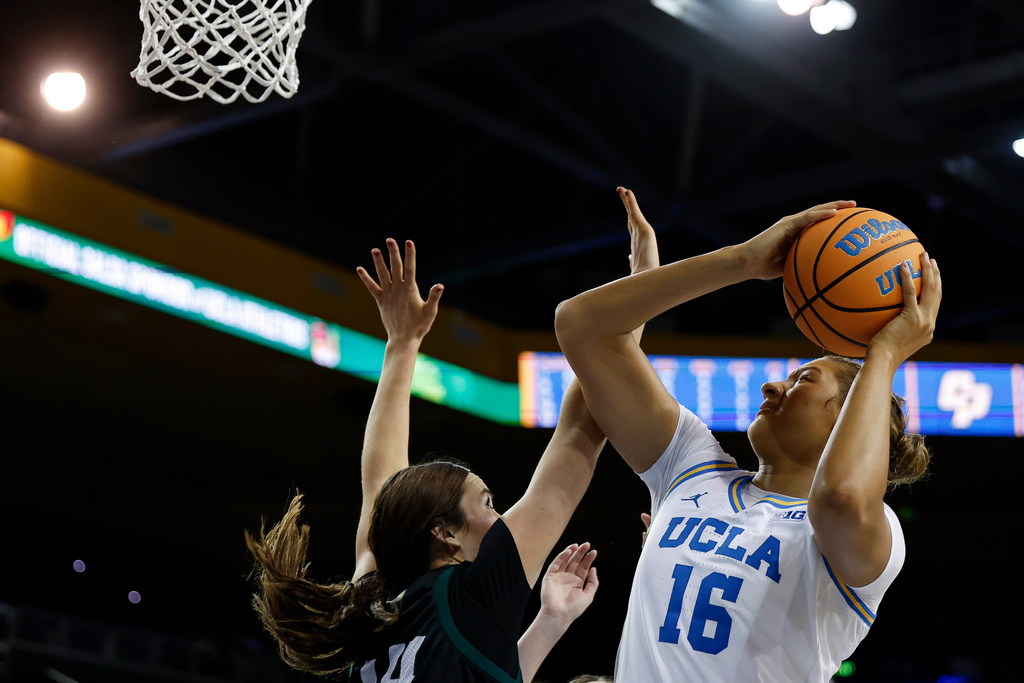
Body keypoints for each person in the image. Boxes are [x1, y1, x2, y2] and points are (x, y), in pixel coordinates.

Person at [554, 188, 941, 682]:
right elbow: (582, 325)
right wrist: (742, 260)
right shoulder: (690, 466)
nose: (773, 385)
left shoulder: (873, 531)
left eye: (804, 380)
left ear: (847, 419)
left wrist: (883, 357)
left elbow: (841, 495)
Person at [246, 237, 631, 682]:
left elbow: (383, 488)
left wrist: (403, 343)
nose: (501, 516)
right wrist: (631, 306)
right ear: (445, 533)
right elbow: (581, 429)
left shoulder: (373, 605)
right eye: (487, 503)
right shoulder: (474, 591)